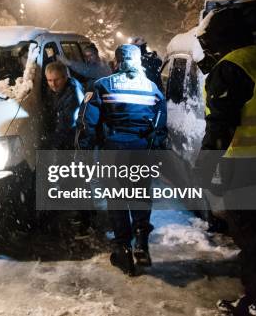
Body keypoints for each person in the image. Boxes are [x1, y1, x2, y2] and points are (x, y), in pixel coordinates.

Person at [193, 7, 256, 316]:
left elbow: (220, 125)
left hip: (247, 163)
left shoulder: (230, 68)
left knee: (250, 235)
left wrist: (204, 170)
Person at [78, 44, 167, 276]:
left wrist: (83, 153)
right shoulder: (153, 89)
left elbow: (87, 123)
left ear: (116, 62)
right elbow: (160, 127)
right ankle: (141, 240)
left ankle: (123, 251)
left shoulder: (102, 86)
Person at [44, 61, 84, 150]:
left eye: (56, 80)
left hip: (75, 138)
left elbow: (66, 123)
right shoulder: (56, 89)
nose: (53, 84)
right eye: (49, 80)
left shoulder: (73, 95)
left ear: (65, 77)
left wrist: (52, 146)